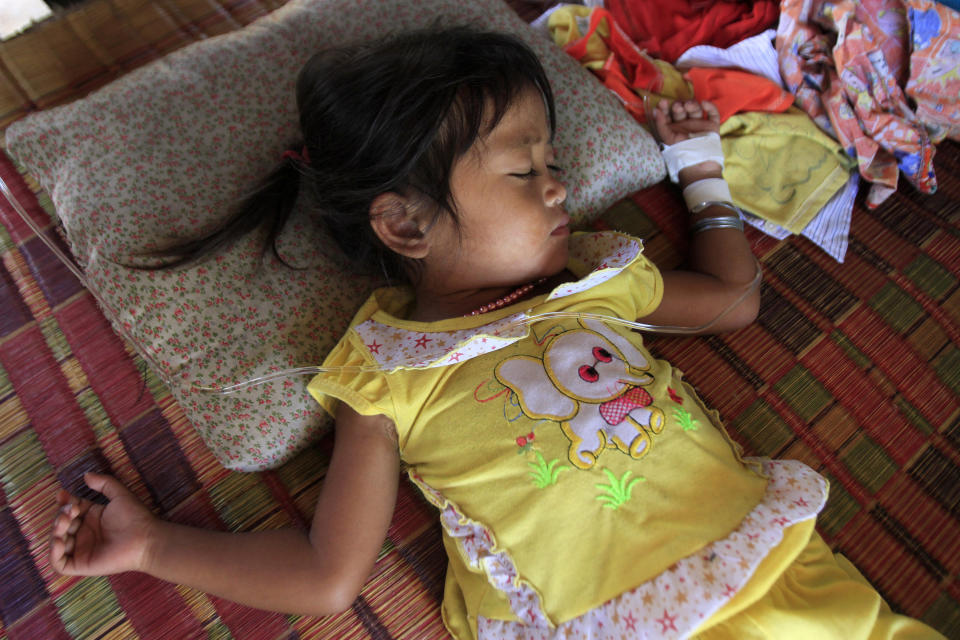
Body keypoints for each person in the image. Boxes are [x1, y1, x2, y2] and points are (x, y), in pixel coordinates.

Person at [49, 27, 943, 639]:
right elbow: (328, 576)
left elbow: (729, 301)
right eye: (525, 169)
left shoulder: (590, 277)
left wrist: (700, 172)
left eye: (553, 161)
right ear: (404, 226)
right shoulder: (385, 371)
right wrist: (152, 546)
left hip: (788, 579)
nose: (559, 185)